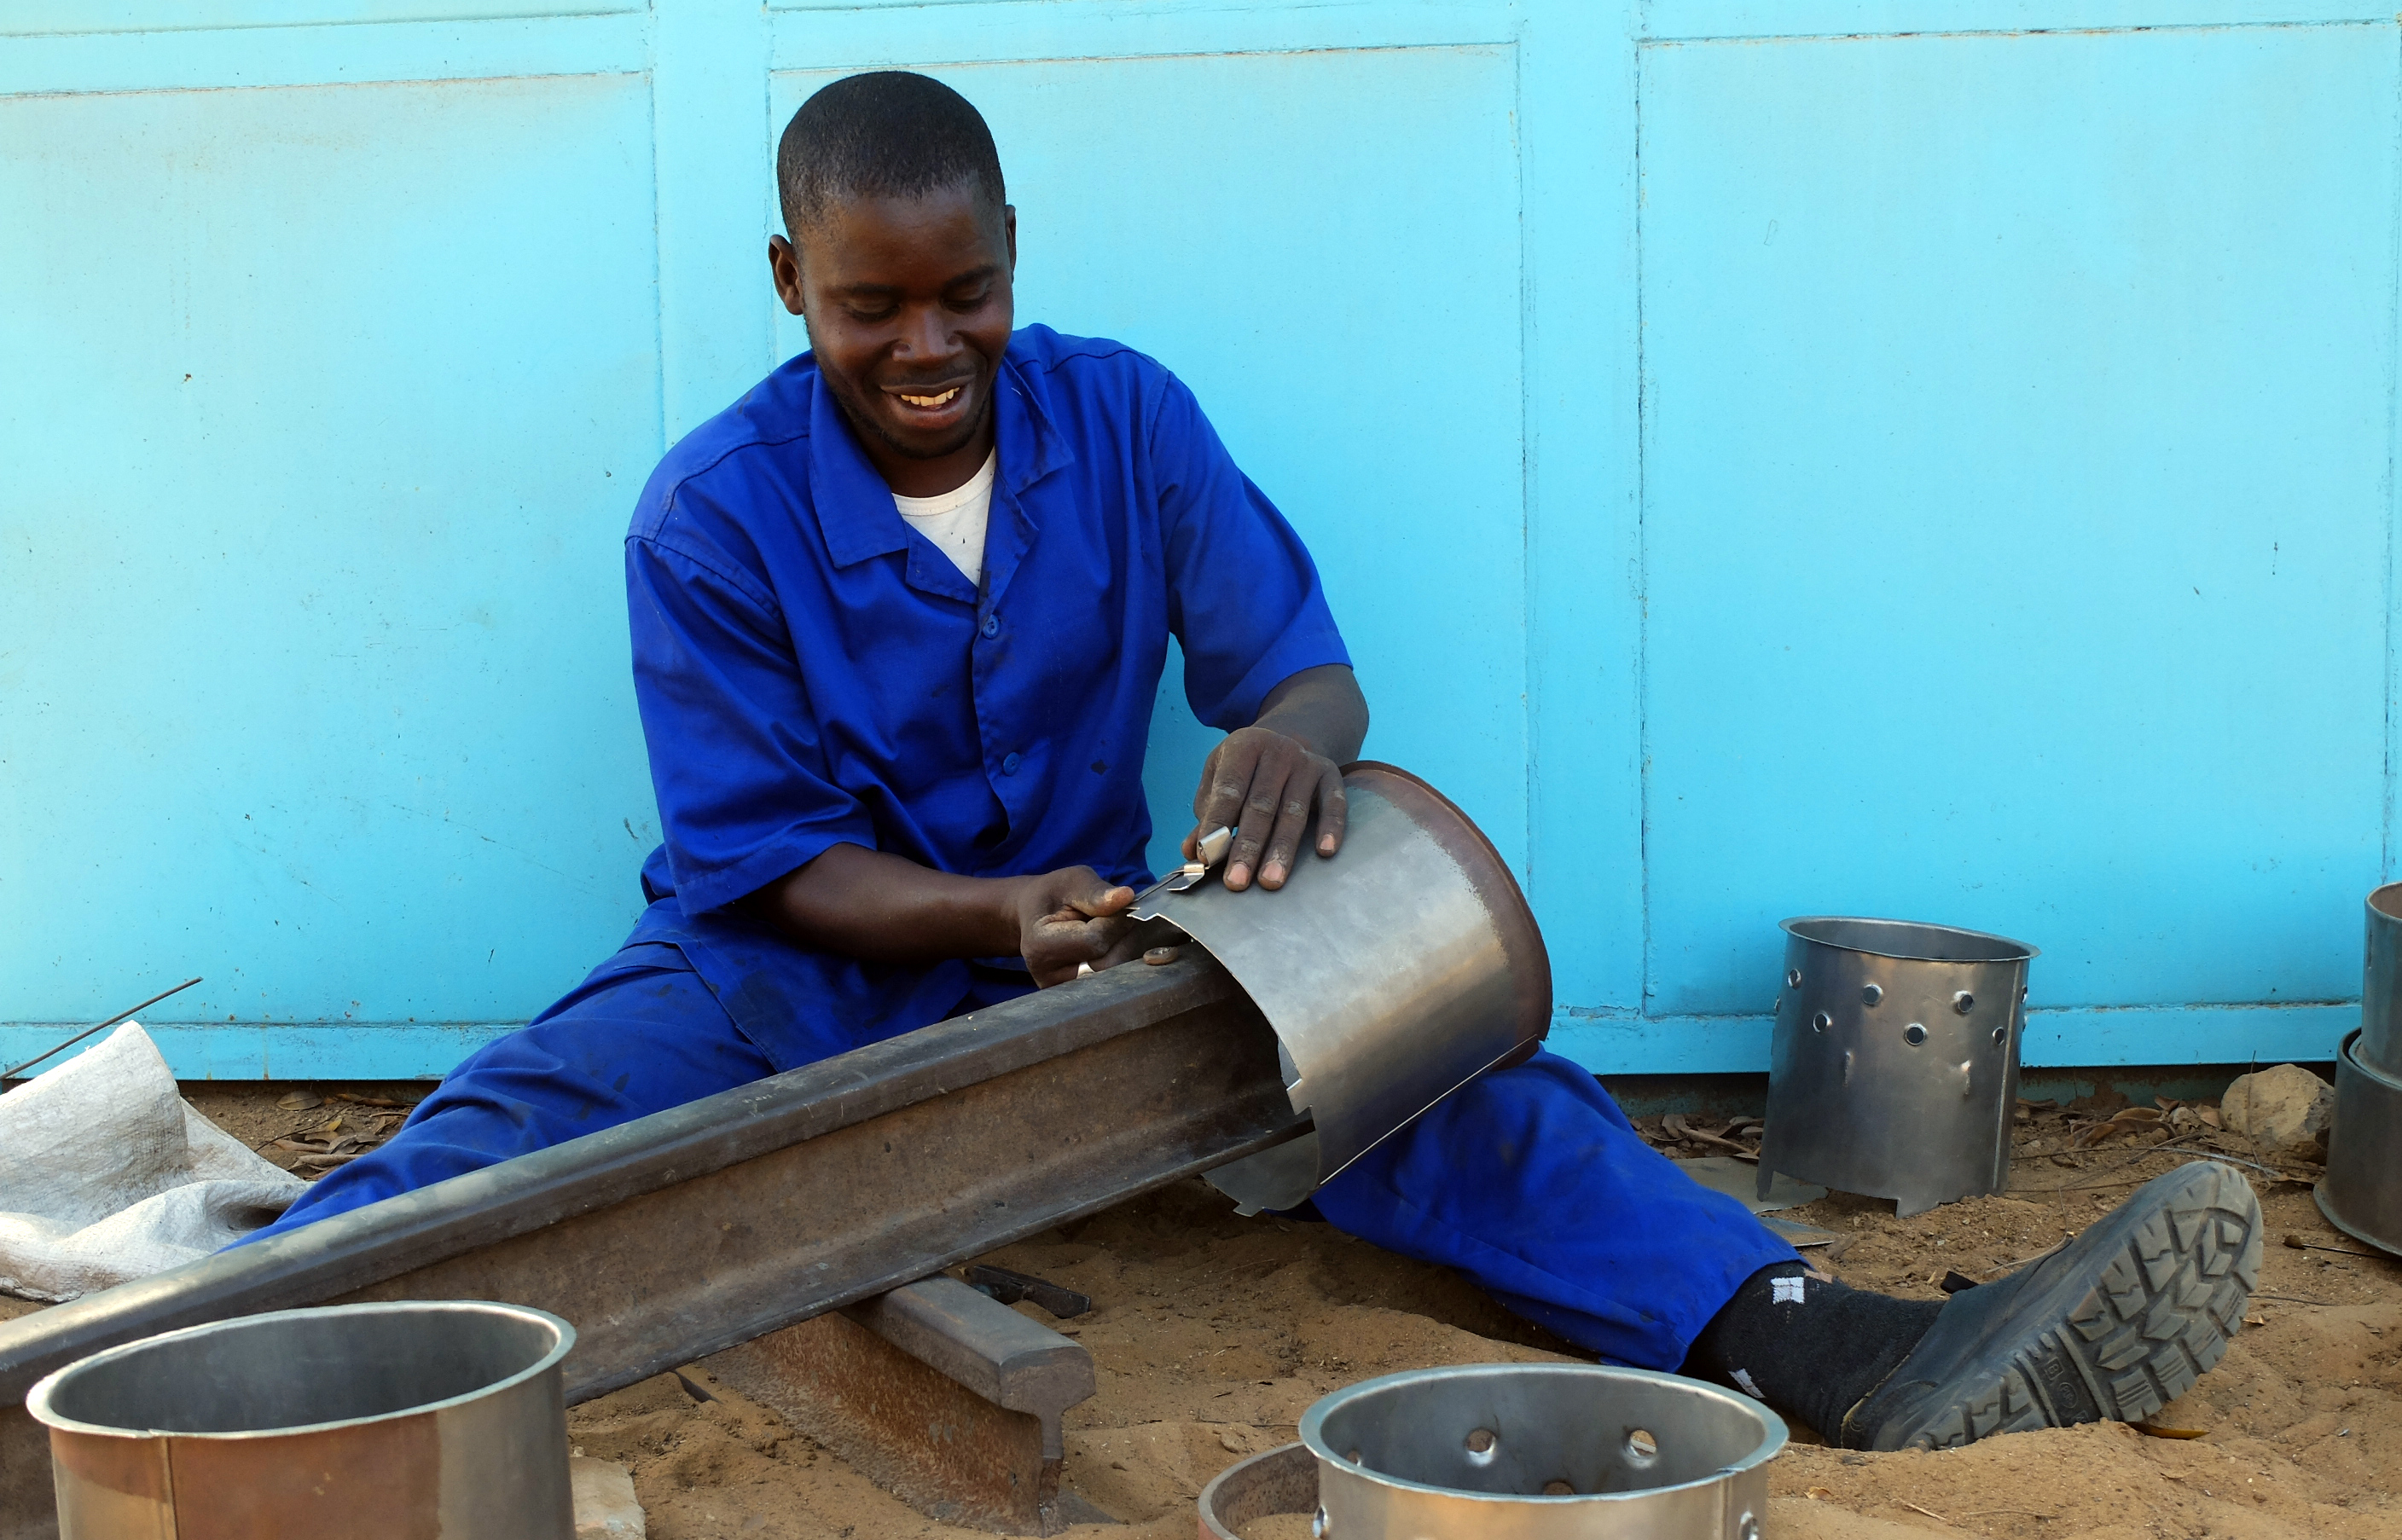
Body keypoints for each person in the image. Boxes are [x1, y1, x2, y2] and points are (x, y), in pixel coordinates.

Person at [251, 72, 2261, 1453]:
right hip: (797, 965)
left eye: (965, 291)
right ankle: (201, 1340)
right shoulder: (708, 516)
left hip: (1117, 962)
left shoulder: (1125, 422)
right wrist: (982, 913)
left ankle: (1837, 1348)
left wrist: (1280, 765)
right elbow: (767, 857)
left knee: (1454, 1089)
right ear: (794, 287)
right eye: (871, 304)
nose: (926, 340)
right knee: (528, 1128)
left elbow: (1300, 679)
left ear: (1013, 256)